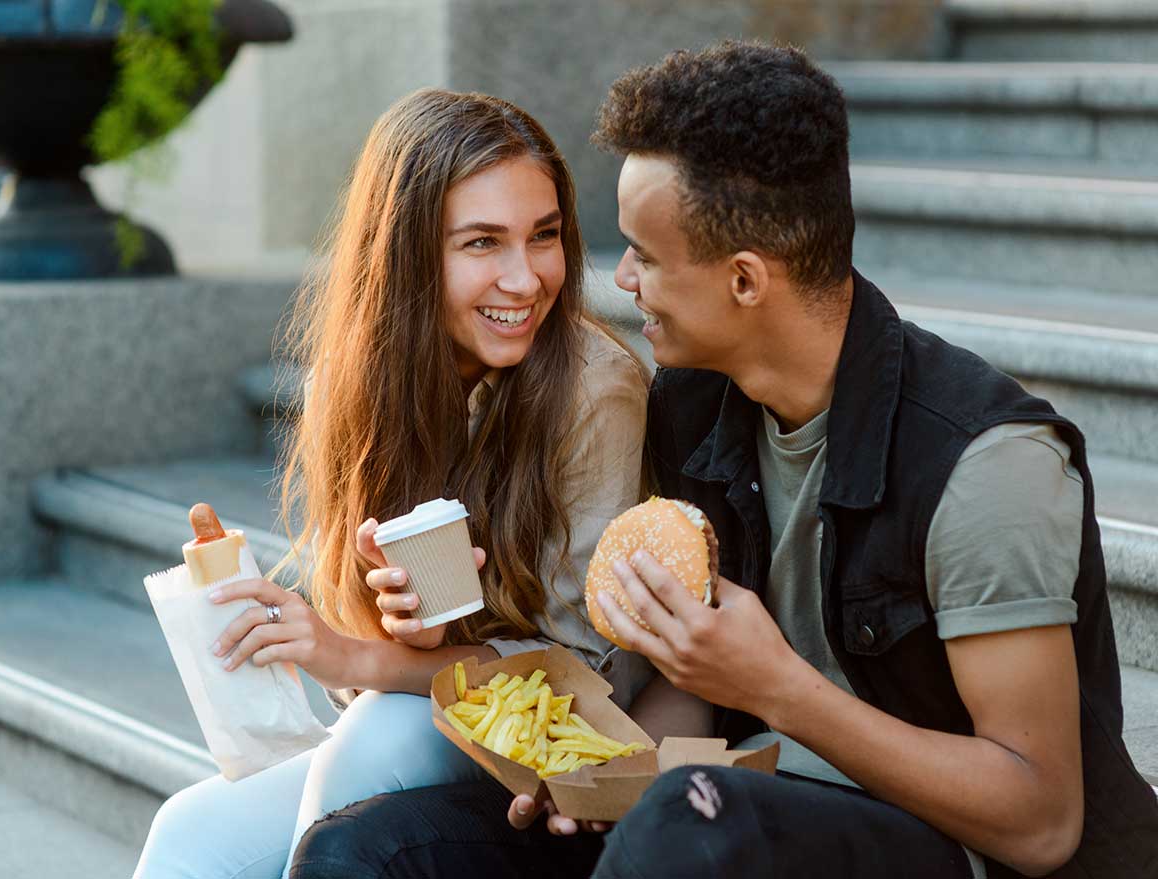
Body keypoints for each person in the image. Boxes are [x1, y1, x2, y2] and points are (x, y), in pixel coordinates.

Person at [289, 41, 1158, 879]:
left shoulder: (984, 467)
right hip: (715, 803)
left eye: (649, 255)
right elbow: (683, 692)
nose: (620, 278)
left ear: (745, 280)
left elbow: (1041, 824)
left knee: (687, 821)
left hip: (931, 844)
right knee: (370, 851)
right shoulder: (695, 409)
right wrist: (601, 773)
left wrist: (779, 689)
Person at [132, 87, 711, 879]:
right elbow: (368, 670)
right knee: (187, 834)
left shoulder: (593, 388)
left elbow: (585, 681)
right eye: (481, 243)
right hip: (421, 712)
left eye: (544, 236)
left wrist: (363, 659)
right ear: (408, 253)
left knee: (373, 743)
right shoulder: (358, 383)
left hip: (564, 755)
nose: (526, 277)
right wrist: (407, 636)